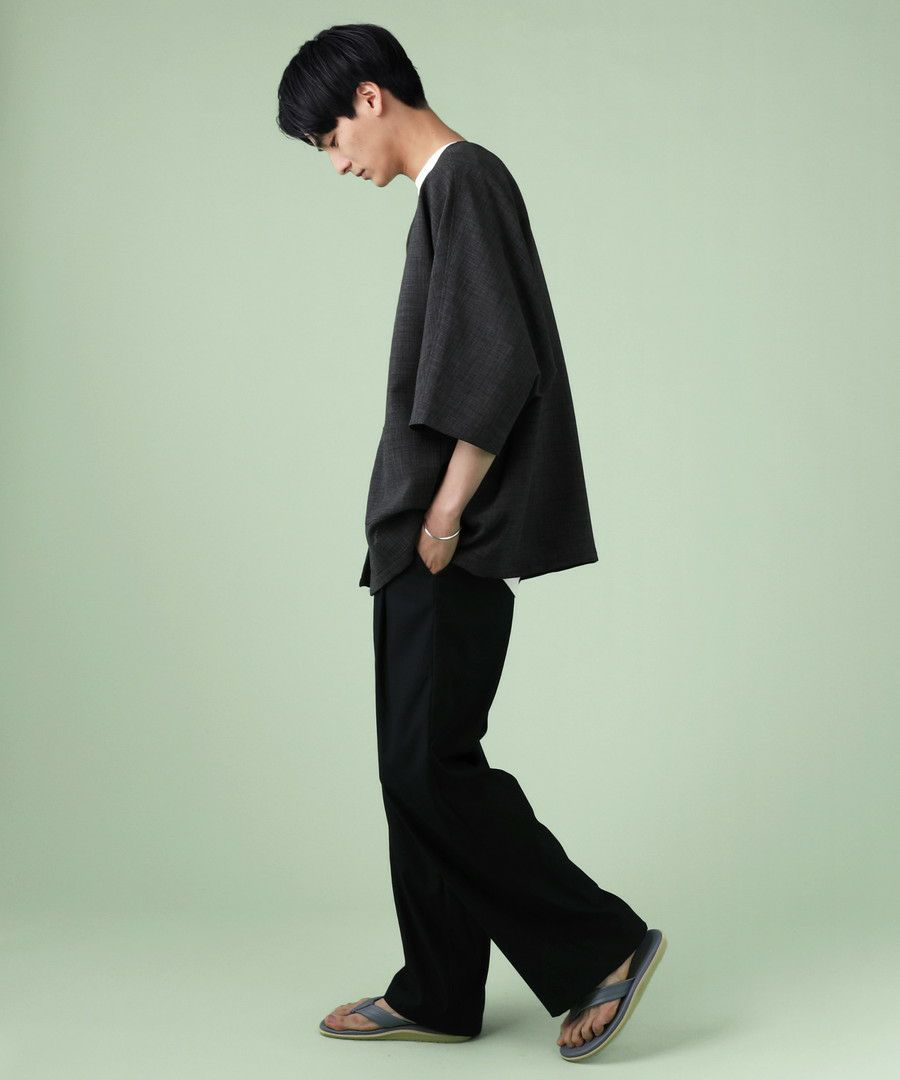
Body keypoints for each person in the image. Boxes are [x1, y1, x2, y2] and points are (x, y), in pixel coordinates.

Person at [277, 23, 666, 1060]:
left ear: (369, 98)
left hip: (448, 534)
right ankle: (441, 988)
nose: (336, 164)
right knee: (411, 768)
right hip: (419, 534)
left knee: (428, 766)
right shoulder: (445, 194)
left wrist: (445, 516)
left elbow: (499, 366)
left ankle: (603, 945)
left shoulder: (466, 180)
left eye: (329, 139)